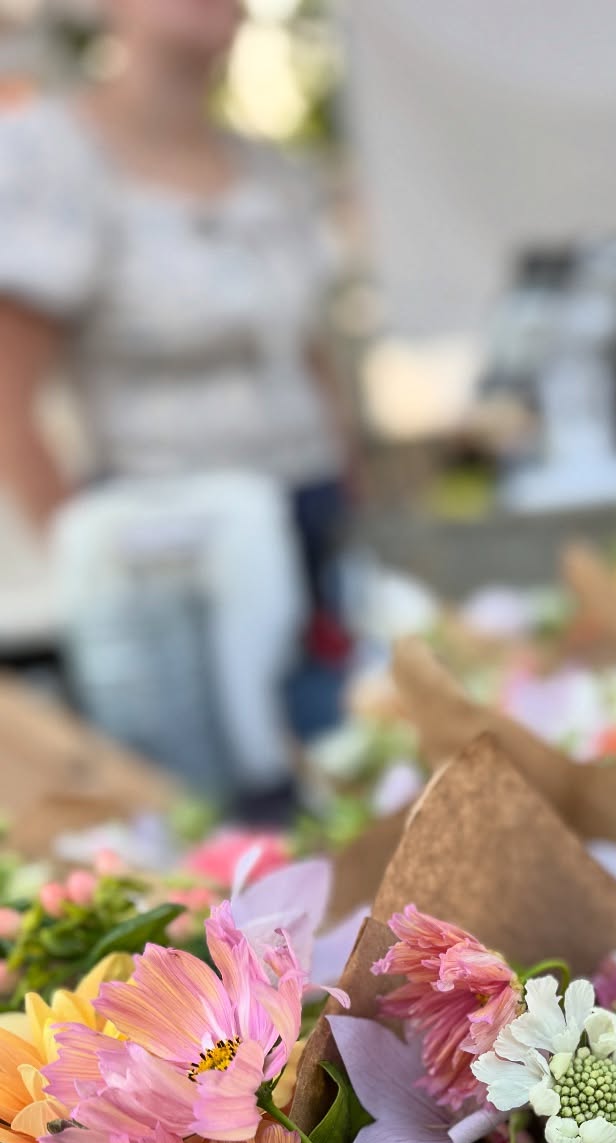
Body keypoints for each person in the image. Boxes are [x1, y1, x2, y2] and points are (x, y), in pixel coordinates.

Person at [0, 0, 352, 718]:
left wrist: (348, 499)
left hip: (310, 523)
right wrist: (97, 585)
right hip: (168, 557)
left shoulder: (268, 167)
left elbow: (310, 356)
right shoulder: (49, 156)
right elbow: (10, 402)